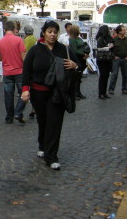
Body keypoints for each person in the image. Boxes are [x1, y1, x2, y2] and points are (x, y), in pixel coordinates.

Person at [21, 20, 79, 171]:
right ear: (44, 33)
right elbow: (27, 70)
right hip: (38, 92)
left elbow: (78, 64)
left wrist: (75, 65)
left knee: (54, 122)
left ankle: (52, 156)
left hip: (57, 92)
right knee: (43, 120)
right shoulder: (35, 50)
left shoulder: (63, 49)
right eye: (49, 32)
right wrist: (25, 89)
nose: (52, 35)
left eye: (55, 32)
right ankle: (42, 144)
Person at [0, 21, 27, 124]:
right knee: (23, 92)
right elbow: (23, 57)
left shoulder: (0, 42)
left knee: (8, 95)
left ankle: (9, 117)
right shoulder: (19, 40)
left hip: (7, 72)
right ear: (14, 29)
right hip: (19, 71)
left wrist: (3, 58)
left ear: (4, 30)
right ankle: (18, 112)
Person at [108, 24, 127, 95]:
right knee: (114, 74)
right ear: (119, 32)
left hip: (124, 59)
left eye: (125, 30)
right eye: (123, 30)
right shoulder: (113, 40)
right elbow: (109, 49)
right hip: (116, 59)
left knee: (125, 75)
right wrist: (113, 56)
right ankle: (111, 89)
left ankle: (124, 89)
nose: (125, 31)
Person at [68, 24, 88, 100]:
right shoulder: (71, 39)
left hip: (82, 59)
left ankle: (78, 92)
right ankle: (75, 93)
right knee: (75, 77)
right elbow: (74, 50)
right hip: (77, 59)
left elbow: (83, 46)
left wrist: (86, 53)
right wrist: (84, 54)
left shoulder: (79, 38)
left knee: (79, 78)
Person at [95, 25, 113, 99]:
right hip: (102, 59)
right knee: (103, 76)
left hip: (108, 59)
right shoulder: (100, 39)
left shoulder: (108, 38)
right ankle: (101, 93)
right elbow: (99, 49)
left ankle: (104, 92)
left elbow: (111, 43)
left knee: (106, 76)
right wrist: (108, 47)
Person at [23, 25, 37, 118]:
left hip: (29, 65)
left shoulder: (26, 40)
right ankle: (34, 108)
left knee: (30, 87)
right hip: (35, 64)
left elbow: (25, 52)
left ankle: (33, 108)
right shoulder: (35, 39)